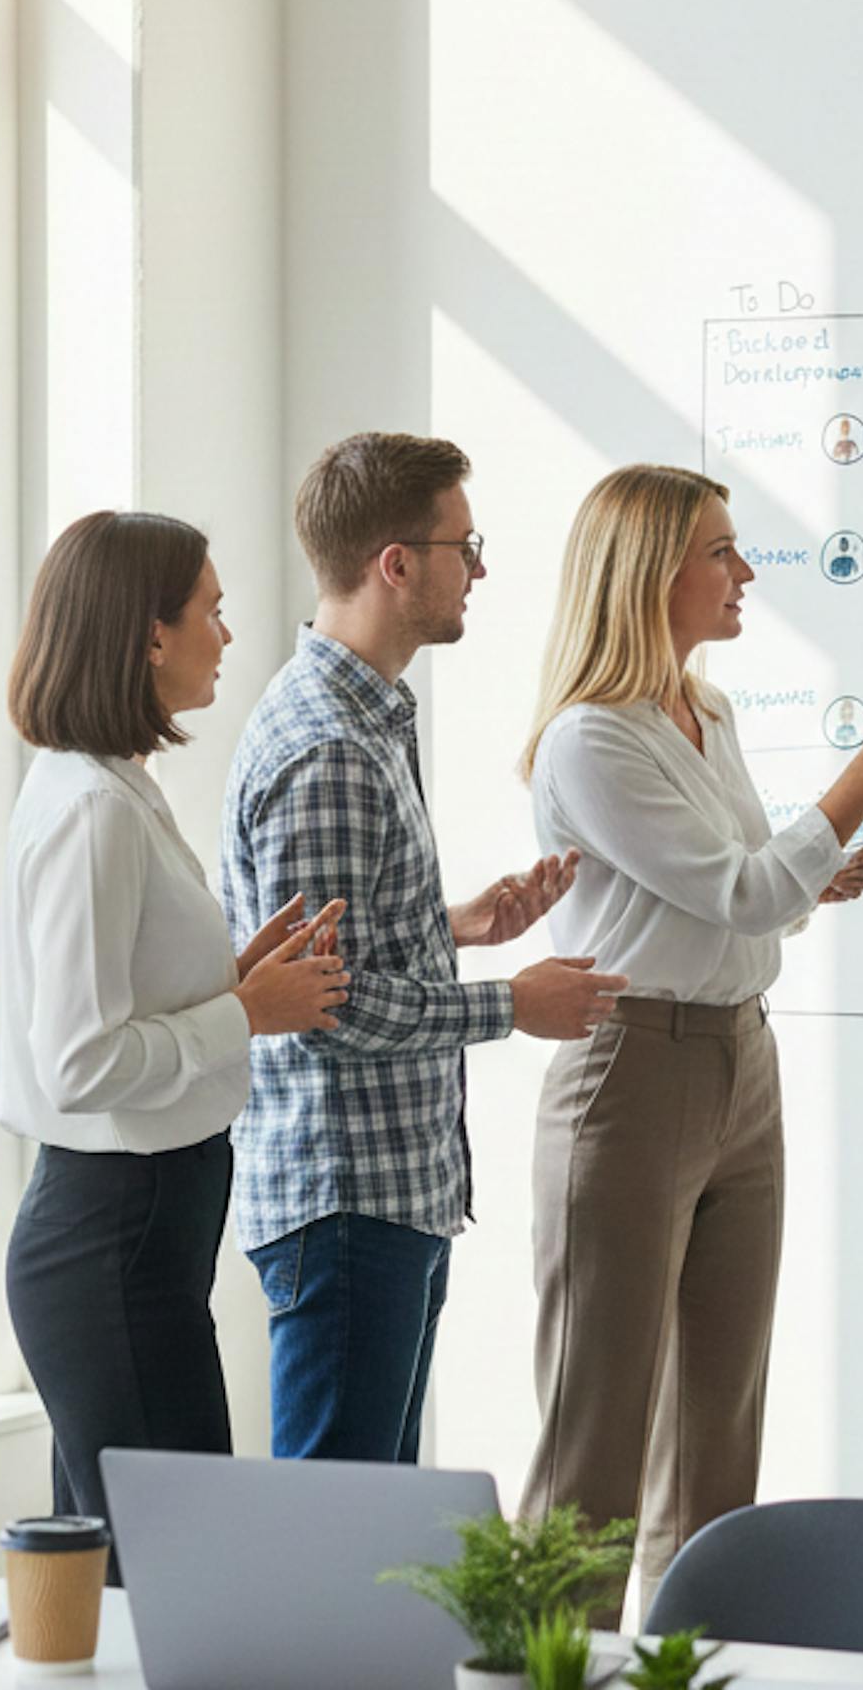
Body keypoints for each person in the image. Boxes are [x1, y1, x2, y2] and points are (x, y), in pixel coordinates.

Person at [518, 464, 863, 1608]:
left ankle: (684, 1666)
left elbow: (739, 897)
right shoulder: (588, 740)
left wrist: (816, 876)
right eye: (721, 550)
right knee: (591, 1444)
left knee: (719, 1431)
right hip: (630, 1071)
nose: (744, 571)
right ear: (653, 572)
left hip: (737, 1061)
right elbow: (741, 891)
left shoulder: (706, 712)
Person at [222, 433, 628, 1463]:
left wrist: (452, 924)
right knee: (333, 1528)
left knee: (365, 1523)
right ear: (394, 563)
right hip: (347, 1197)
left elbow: (336, 945)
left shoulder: (363, 718)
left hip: (384, 1194)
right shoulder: (328, 746)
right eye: (465, 543)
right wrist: (510, 1002)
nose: (479, 568)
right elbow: (326, 1006)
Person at [0, 512, 350, 1575]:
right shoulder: (93, 809)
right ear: (149, 634)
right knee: (173, 1570)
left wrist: (236, 977)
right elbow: (80, 1059)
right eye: (210, 609)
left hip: (141, 1230)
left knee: (133, 1572)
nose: (228, 635)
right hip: (114, 1233)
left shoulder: (111, 787)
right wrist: (245, 1010)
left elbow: (123, 1000)